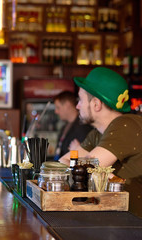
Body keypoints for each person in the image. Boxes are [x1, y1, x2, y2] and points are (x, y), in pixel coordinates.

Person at [58, 67, 142, 217]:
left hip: (134, 225)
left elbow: (89, 170)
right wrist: (81, 165)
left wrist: (81, 164)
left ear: (96, 104)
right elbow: (63, 161)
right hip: (116, 219)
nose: (77, 106)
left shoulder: (125, 125)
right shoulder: (97, 133)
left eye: (80, 100)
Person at [53, 91, 93, 160]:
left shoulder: (83, 127)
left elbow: (86, 156)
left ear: (67, 105)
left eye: (58, 107)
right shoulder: (64, 127)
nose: (56, 111)